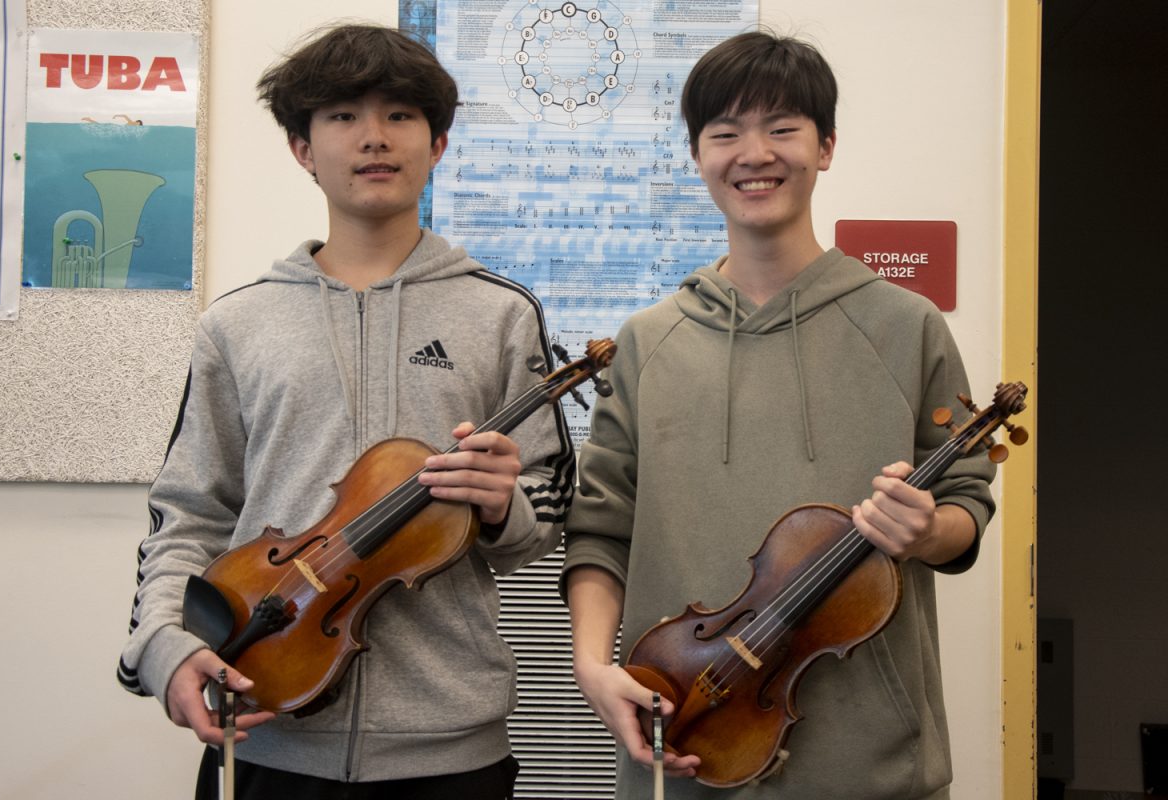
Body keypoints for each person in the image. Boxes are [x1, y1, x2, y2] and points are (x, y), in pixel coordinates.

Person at [117, 23, 574, 799]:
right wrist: (163, 646)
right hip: (268, 723)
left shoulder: (502, 313)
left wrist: (502, 509)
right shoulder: (238, 323)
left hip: (450, 749)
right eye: (342, 116)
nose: (374, 138)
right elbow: (188, 514)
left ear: (439, 144)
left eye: (400, 115)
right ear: (302, 147)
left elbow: (546, 506)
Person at [561, 30, 996, 800]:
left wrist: (927, 527)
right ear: (697, 156)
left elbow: (966, 501)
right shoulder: (648, 341)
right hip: (691, 734)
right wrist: (593, 668)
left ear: (825, 147)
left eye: (782, 128)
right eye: (724, 133)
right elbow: (602, 527)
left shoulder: (907, 324)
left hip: (871, 760)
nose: (753, 153)